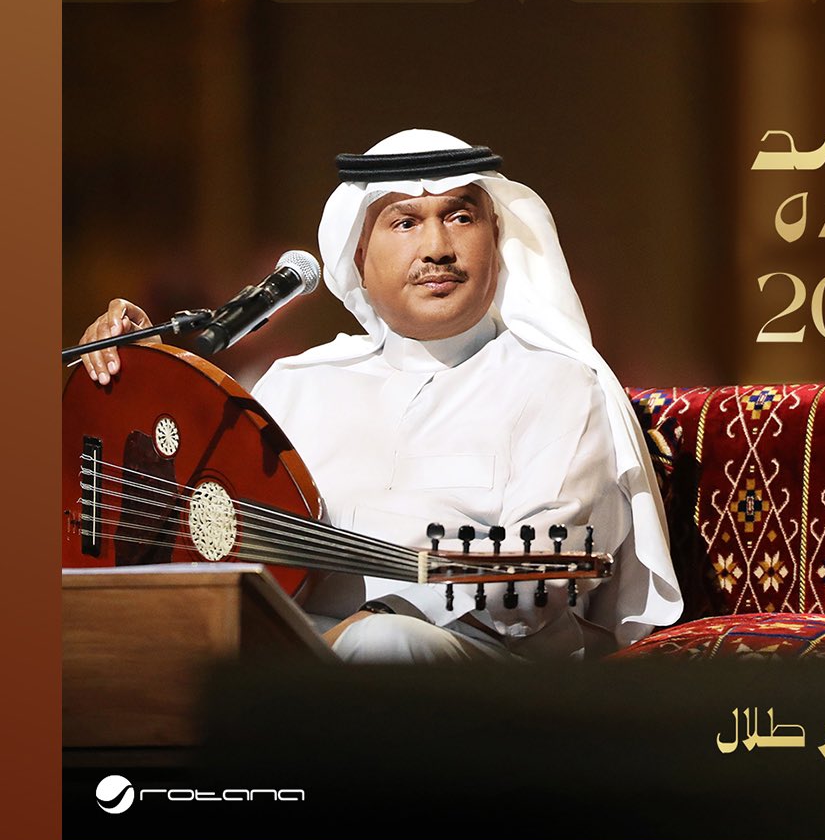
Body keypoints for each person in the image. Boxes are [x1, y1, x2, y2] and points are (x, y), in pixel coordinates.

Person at [78, 128, 683, 663]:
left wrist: (379, 612)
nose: (437, 247)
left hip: (486, 668)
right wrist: (133, 379)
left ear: (495, 239)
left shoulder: (555, 384)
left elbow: (539, 584)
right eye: (405, 223)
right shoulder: (296, 384)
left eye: (460, 217)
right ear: (359, 256)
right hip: (294, 655)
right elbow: (180, 520)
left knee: (382, 645)